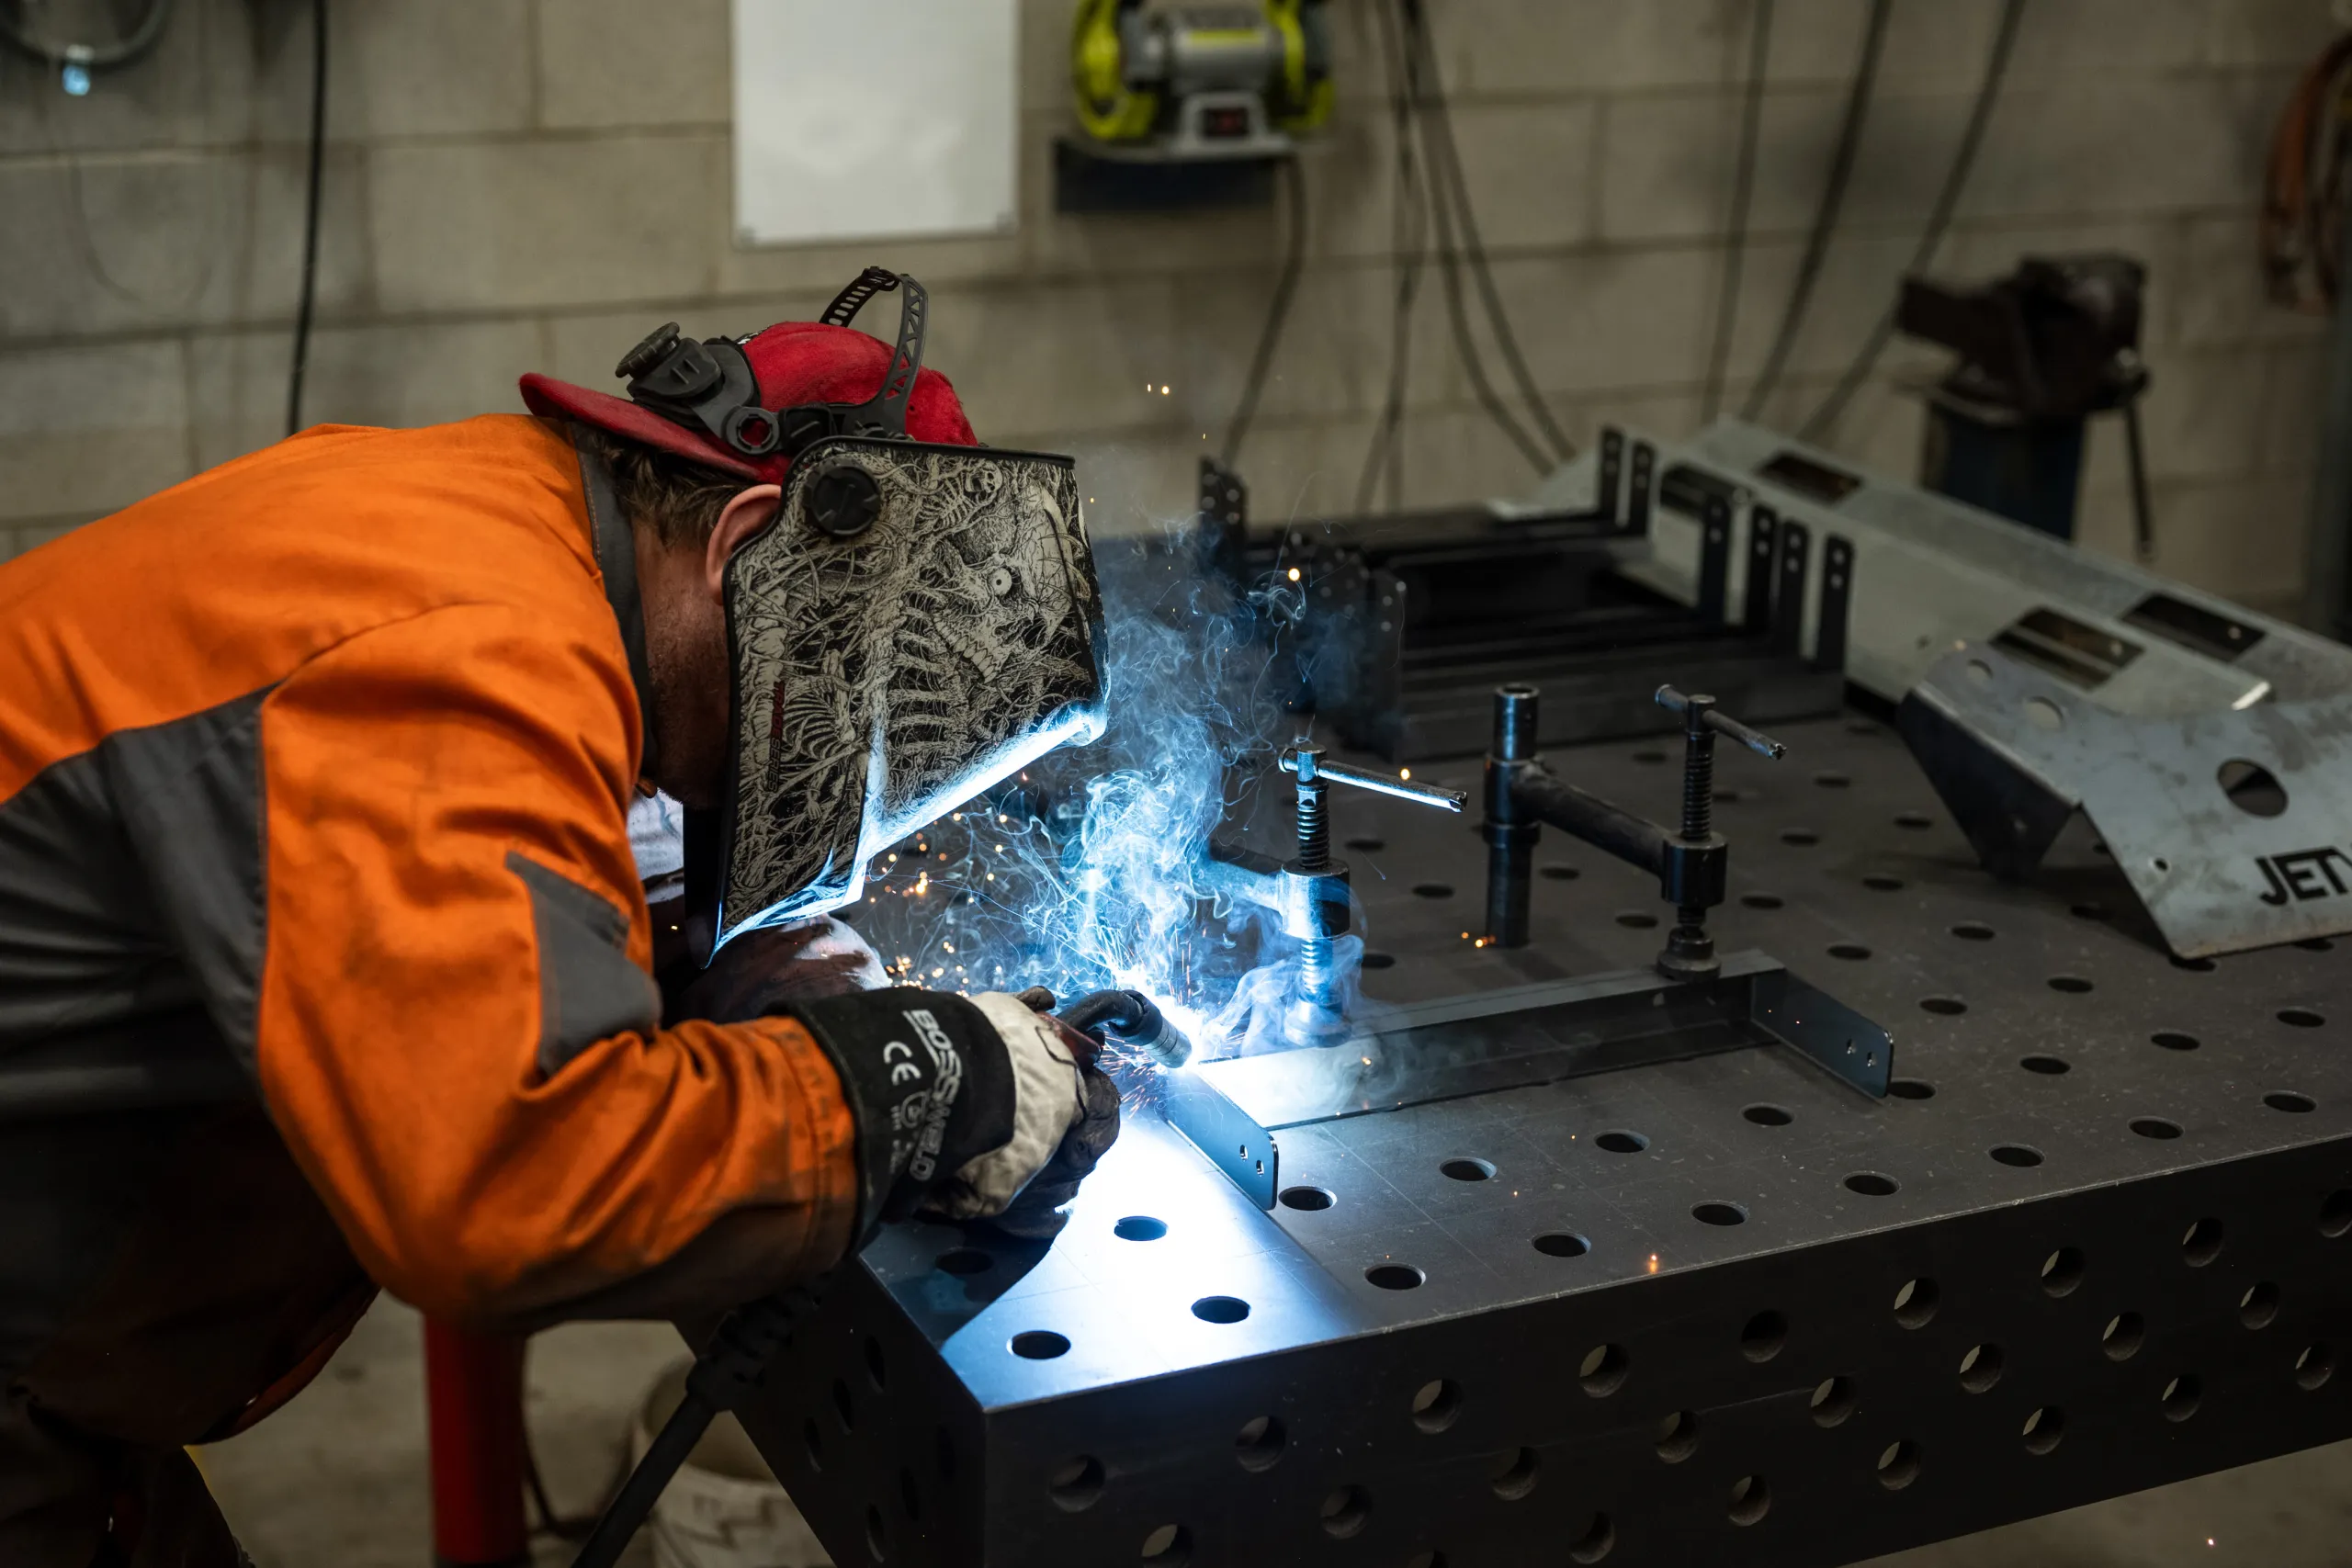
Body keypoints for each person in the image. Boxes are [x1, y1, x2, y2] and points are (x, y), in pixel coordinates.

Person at [0, 268, 1120, 1567]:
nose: (827, 777)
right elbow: (512, 1179)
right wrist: (918, 1079)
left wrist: (804, 987)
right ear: (747, 539)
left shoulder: (519, 530)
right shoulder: (466, 645)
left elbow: (568, 846)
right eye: (848, 707)